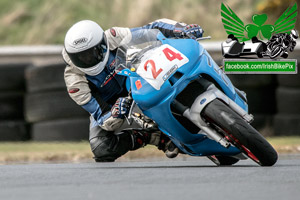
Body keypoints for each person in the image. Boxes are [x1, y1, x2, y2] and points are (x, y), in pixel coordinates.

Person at [62, 19, 204, 162]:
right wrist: (115, 112)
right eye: (80, 57)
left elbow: (149, 29)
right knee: (101, 146)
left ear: (102, 44)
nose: (87, 60)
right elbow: (100, 116)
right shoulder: (74, 80)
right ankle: (152, 137)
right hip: (114, 106)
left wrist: (180, 29)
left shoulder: (113, 36)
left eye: (91, 53)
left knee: (174, 67)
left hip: (138, 78)